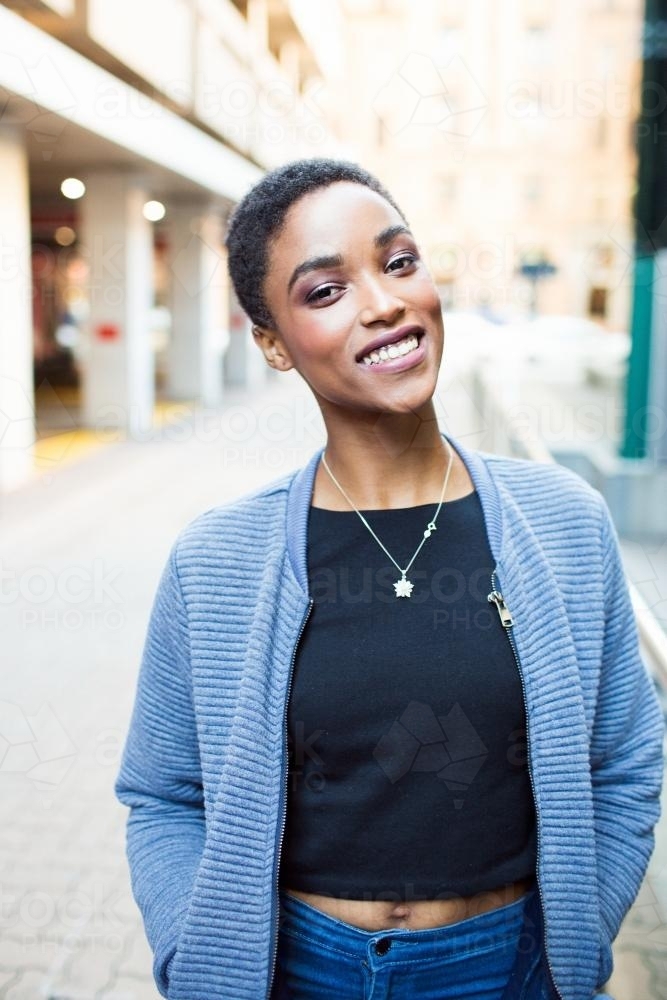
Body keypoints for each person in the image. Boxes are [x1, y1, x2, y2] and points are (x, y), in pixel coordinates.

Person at [114, 158, 664, 1000]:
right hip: (293, 969)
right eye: (324, 291)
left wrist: (577, 936)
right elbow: (162, 792)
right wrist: (199, 956)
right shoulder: (217, 559)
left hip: (507, 967)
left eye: (397, 261)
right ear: (272, 344)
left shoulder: (562, 521)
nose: (382, 303)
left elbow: (624, 759)